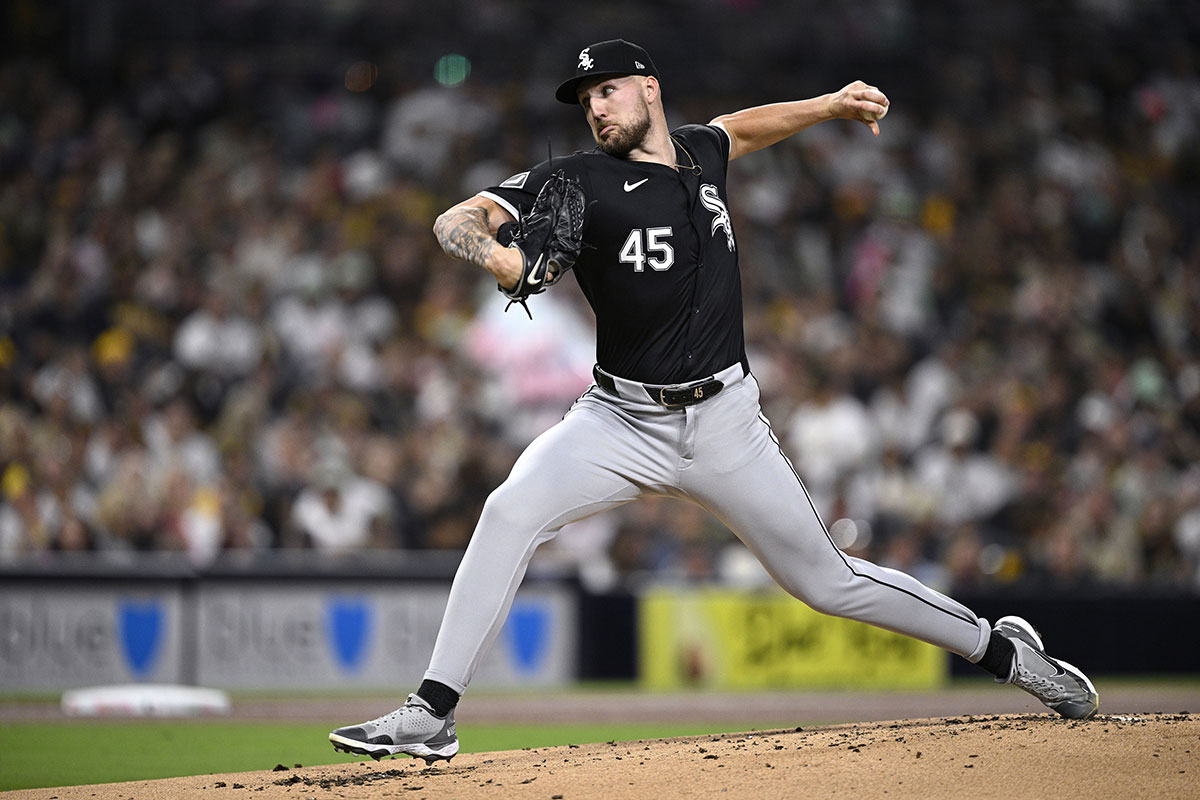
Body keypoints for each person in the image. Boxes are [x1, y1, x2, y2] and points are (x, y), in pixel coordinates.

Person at [328, 39, 1098, 764]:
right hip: (619, 420)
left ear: (649, 88)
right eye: (586, 98)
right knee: (508, 511)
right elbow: (453, 218)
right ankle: (432, 711)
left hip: (725, 419)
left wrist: (829, 104)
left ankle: (1003, 650)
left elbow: (740, 130)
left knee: (827, 582)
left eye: (609, 89)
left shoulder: (699, 153)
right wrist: (500, 255)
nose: (596, 107)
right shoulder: (577, 179)